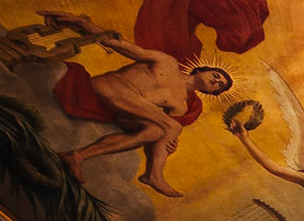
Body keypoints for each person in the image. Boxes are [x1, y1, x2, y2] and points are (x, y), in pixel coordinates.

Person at [49, 12, 233, 196]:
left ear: (211, 93)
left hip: (124, 107)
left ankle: (77, 156)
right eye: (216, 75)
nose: (216, 81)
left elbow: (160, 133)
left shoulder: (180, 106)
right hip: (111, 87)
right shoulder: (168, 62)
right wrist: (82, 23)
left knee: (156, 131)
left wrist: (168, 144)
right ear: (201, 70)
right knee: (172, 127)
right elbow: (123, 46)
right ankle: (154, 176)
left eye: (219, 85)